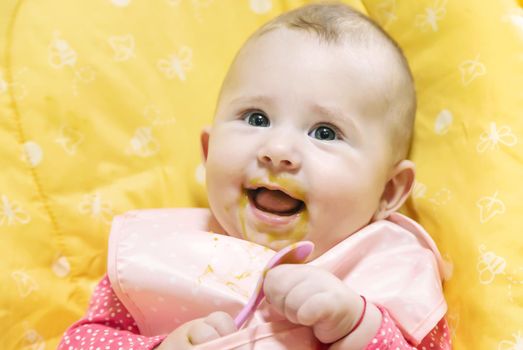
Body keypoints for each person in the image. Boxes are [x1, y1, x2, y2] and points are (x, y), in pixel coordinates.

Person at [59, 3, 452, 350]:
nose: (277, 150)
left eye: (325, 132)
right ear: (209, 152)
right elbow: (78, 343)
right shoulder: (159, 254)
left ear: (388, 190)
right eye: (257, 118)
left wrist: (358, 326)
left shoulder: (392, 269)